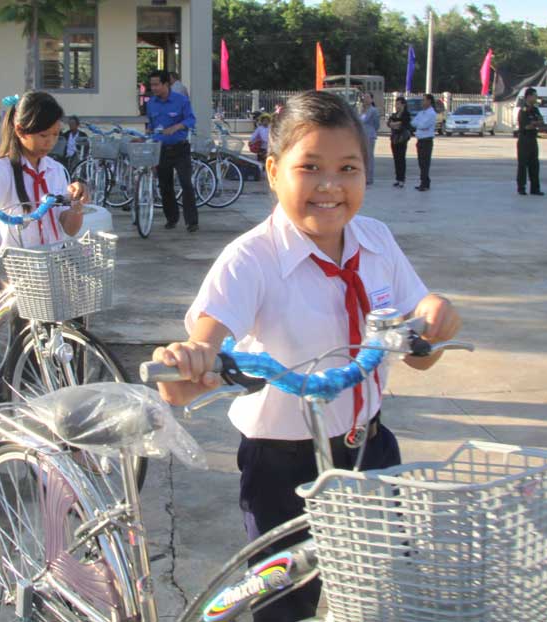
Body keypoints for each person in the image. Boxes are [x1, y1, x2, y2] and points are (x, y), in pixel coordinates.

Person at [151, 90, 461, 622]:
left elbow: (419, 353)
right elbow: (204, 341)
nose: (330, 186)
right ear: (273, 171)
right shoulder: (251, 258)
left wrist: (433, 317)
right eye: (310, 167)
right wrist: (193, 357)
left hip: (369, 448)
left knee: (380, 591)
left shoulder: (377, 240)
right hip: (281, 463)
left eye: (348, 168)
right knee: (284, 601)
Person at [0, 92, 88, 250]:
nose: (50, 142)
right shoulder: (2, 170)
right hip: (21, 261)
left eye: (56, 134)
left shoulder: (55, 169)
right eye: (43, 135)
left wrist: (77, 206)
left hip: (55, 260)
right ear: (20, 130)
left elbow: (70, 229)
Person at [146, 69, 198, 232]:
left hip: (180, 148)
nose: (153, 88)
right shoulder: (151, 103)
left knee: (186, 184)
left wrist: (177, 127)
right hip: (161, 149)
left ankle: (192, 222)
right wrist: (148, 134)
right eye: (152, 85)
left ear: (166, 84)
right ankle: (171, 218)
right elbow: (151, 125)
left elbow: (191, 119)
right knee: (165, 186)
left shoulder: (181, 100)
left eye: (157, 84)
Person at [516, 87, 544, 196]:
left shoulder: (535, 109)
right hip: (524, 139)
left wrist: (535, 123)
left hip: (533, 139)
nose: (536, 98)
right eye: (535, 96)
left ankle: (535, 188)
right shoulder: (523, 110)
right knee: (523, 164)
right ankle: (521, 187)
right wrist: (535, 123)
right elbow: (527, 126)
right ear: (528, 96)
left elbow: (541, 122)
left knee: (534, 164)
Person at [413, 93, 437, 191]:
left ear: (429, 101)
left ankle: (424, 183)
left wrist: (419, 124)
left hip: (427, 140)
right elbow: (413, 122)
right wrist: (419, 124)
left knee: (425, 163)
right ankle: (425, 182)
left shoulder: (431, 113)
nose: (422, 102)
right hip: (420, 140)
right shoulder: (421, 113)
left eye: (424, 100)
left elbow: (424, 125)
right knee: (420, 162)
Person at [387, 96, 411, 188]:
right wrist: (394, 124)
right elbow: (389, 123)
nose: (396, 106)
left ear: (403, 104)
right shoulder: (395, 114)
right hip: (394, 139)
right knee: (396, 159)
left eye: (398, 104)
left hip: (402, 139)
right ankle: (397, 178)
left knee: (401, 158)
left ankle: (402, 179)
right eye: (396, 104)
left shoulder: (406, 114)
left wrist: (394, 123)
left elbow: (402, 124)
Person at [360, 93, 380, 185]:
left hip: (369, 135)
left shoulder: (373, 110)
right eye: (364, 97)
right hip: (361, 135)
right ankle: (363, 176)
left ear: (371, 99)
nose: (365, 99)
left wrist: (372, 131)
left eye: (367, 97)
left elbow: (376, 124)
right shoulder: (362, 110)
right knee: (363, 156)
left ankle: (369, 177)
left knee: (369, 156)